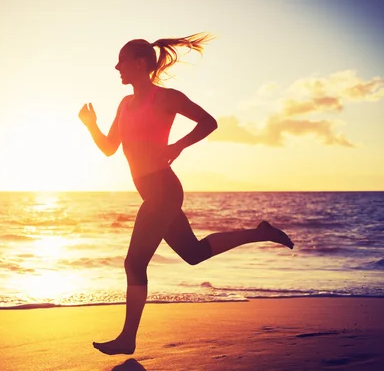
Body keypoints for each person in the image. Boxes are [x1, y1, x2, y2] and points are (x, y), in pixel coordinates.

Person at [78, 33, 294, 356]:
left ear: (138, 64)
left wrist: (178, 145)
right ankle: (259, 232)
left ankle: (128, 338)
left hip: (163, 191)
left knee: (133, 263)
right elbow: (110, 148)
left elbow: (209, 122)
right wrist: (90, 125)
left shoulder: (166, 98)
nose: (116, 67)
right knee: (193, 253)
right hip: (154, 194)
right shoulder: (124, 105)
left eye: (121, 61)